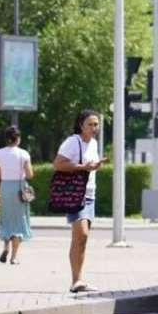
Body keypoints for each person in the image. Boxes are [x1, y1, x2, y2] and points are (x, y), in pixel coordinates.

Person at [54, 110, 106, 293]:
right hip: (76, 194)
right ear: (81, 125)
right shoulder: (72, 142)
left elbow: (88, 168)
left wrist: (95, 166)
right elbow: (58, 164)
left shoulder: (93, 143)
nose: (94, 128)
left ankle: (79, 280)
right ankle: (76, 280)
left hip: (90, 194)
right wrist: (84, 167)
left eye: (96, 124)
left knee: (81, 240)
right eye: (90, 124)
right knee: (81, 235)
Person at [0, 126, 33, 264]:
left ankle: (5, 247)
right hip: (19, 188)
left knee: (6, 219)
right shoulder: (24, 154)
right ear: (18, 139)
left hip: (5, 187)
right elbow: (29, 175)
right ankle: (14, 257)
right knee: (19, 222)